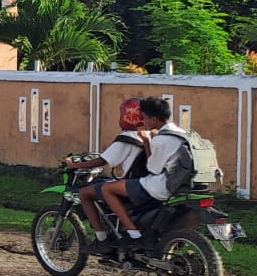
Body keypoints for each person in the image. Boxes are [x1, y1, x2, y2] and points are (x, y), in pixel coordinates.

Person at [96, 97, 184, 248]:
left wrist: (147, 142)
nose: (142, 122)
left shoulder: (160, 140)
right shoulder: (181, 133)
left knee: (107, 189)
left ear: (154, 119)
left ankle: (134, 234)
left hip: (163, 185)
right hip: (183, 183)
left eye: (144, 118)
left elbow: (153, 169)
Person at [64, 99, 149, 250]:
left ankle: (101, 239)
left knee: (85, 193)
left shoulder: (127, 138)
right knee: (105, 182)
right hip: (148, 181)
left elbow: (102, 161)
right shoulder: (150, 135)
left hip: (132, 184)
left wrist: (74, 165)